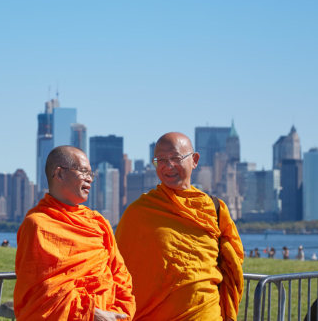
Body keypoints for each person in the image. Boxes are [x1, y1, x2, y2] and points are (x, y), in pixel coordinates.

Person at [116, 132, 244, 321]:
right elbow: (115, 266)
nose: (168, 166)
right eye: (161, 160)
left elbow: (232, 263)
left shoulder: (214, 208)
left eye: (176, 158)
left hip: (204, 313)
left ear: (194, 160)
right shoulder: (138, 213)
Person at [14, 146, 135, 320]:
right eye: (83, 172)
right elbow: (38, 297)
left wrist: (120, 314)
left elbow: (121, 276)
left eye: (91, 174)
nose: (90, 179)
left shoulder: (98, 223)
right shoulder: (37, 225)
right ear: (60, 174)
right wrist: (91, 314)